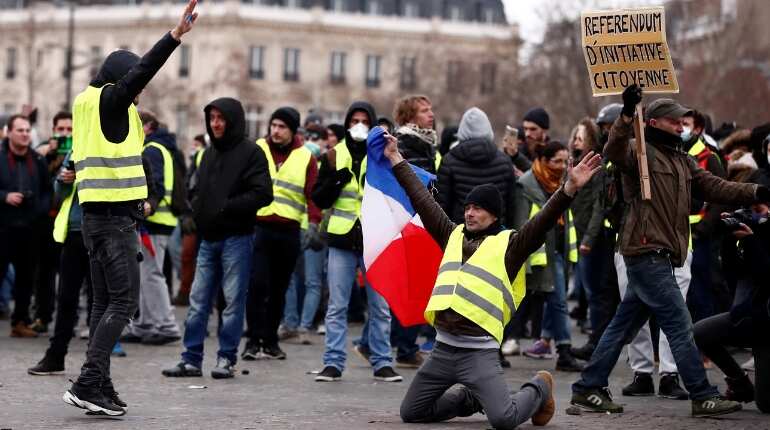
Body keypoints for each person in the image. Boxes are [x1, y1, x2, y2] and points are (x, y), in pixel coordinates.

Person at [382, 124, 604, 429]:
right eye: (468, 207)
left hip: (480, 352)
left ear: (495, 215)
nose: (470, 213)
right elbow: (422, 200)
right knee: (412, 412)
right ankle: (468, 399)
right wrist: (395, 157)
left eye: (479, 208)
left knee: (504, 419)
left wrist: (568, 189)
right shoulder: (452, 234)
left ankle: (538, 389)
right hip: (444, 349)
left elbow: (542, 222)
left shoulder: (511, 245)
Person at [570, 84, 770, 417]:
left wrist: (757, 191)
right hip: (646, 250)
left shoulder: (681, 159)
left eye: (684, 121)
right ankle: (702, 394)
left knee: (622, 325)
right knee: (679, 323)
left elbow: (714, 185)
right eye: (675, 121)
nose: (682, 126)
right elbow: (614, 146)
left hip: (660, 253)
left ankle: (588, 386)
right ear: (654, 122)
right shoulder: (637, 150)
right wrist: (625, 112)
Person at [62, 0, 198, 416]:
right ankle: (88, 381)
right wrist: (174, 37)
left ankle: (99, 384)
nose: (139, 92)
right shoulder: (110, 101)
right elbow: (143, 71)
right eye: (134, 83)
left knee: (105, 303)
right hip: (114, 221)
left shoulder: (85, 102)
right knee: (124, 302)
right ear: (122, 78)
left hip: (94, 217)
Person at [161, 97, 272, 379]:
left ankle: (226, 359)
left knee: (233, 303)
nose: (216, 124)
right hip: (208, 239)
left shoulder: (252, 153)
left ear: (233, 120)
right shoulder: (208, 154)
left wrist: (227, 206)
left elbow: (262, 193)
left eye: (221, 118)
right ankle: (191, 359)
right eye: (211, 118)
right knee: (197, 302)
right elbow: (197, 191)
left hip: (237, 238)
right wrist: (193, 214)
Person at [311, 101, 401, 383]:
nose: (359, 125)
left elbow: (396, 192)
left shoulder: (381, 156)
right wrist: (336, 181)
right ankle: (333, 362)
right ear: (347, 124)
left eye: (364, 120)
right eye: (354, 120)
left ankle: (383, 362)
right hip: (341, 237)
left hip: (375, 239)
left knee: (380, 306)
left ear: (372, 124)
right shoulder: (333, 156)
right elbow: (319, 198)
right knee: (337, 305)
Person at [242, 106, 320, 360]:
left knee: (279, 289)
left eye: (282, 127)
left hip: (289, 231)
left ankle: (271, 341)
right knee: (257, 285)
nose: (276, 131)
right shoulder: (257, 148)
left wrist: (313, 226)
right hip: (259, 227)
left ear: (293, 130)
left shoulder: (306, 157)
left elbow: (312, 197)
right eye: (273, 125)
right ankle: (253, 340)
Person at [513, 141, 582, 372]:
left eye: (565, 161)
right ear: (543, 161)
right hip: (539, 253)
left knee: (556, 301)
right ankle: (564, 350)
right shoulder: (526, 185)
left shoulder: (564, 182)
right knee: (556, 302)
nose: (562, 166)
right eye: (557, 161)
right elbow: (521, 222)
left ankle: (550, 343)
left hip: (558, 250)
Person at [694, 202, 769, 413]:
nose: (762, 213)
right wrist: (730, 241)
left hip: (766, 322)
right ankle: (740, 383)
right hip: (754, 318)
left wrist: (753, 241)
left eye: (762, 209)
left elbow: (766, 274)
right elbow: (733, 277)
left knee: (766, 404)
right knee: (700, 332)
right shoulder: (761, 231)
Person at [120, 111, 182, 345]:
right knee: (146, 274)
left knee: (151, 274)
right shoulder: (162, 148)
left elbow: (153, 187)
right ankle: (145, 323)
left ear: (148, 126)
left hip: (154, 222)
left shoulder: (152, 150)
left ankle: (166, 325)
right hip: (159, 222)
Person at [0, 114, 52, 338]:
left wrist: (38, 208)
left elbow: (48, 191)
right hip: (3, 227)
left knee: (26, 277)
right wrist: (4, 196)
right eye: (20, 130)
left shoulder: (38, 160)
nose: (24, 134)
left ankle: (20, 321)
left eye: (27, 130)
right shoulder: (0, 157)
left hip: (31, 228)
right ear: (9, 132)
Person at [30, 111, 74, 335]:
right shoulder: (44, 151)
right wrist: (44, 154)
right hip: (46, 219)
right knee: (44, 271)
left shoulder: (80, 149)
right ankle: (42, 315)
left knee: (71, 274)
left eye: (69, 129)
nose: (65, 134)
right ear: (54, 129)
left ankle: (70, 320)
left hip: (68, 219)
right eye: (61, 129)